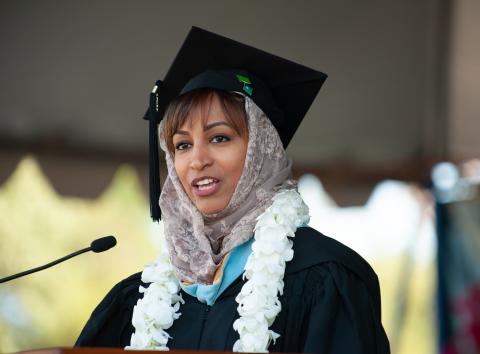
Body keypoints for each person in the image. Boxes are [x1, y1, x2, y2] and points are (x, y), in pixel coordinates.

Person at [75, 27, 390, 353]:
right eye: (182, 145)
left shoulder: (326, 278)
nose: (197, 160)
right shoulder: (135, 303)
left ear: (262, 150)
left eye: (219, 137)